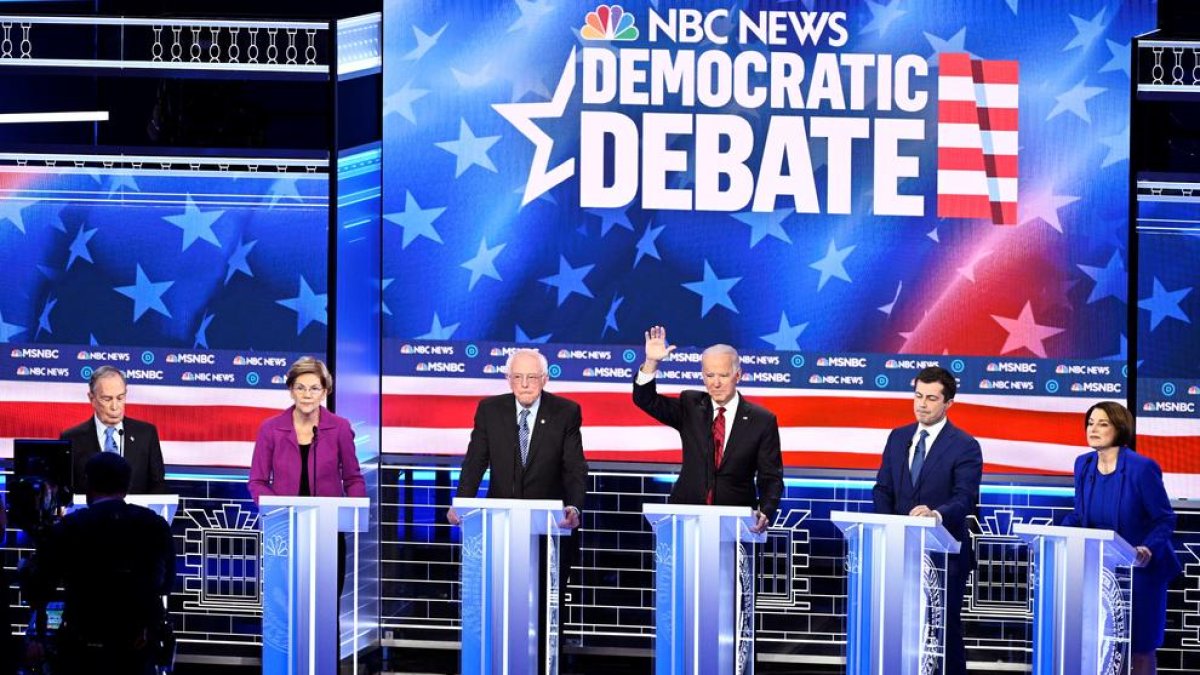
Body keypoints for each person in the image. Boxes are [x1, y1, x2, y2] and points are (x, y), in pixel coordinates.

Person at [872, 365, 982, 675]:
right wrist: (887, 528)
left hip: (943, 555)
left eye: (932, 398)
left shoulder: (964, 445)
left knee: (943, 630)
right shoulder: (898, 437)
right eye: (918, 395)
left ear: (949, 403)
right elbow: (883, 489)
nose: (922, 403)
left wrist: (936, 515)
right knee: (898, 625)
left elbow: (965, 498)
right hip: (898, 550)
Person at [26, 453, 175, 675]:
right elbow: (166, 584)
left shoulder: (71, 526)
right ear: (127, 485)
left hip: (82, 651)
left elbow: (39, 587)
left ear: (88, 483)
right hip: (136, 652)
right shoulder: (155, 524)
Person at [1060, 401, 1181, 675]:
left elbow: (1165, 518)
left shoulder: (1141, 468)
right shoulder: (1084, 464)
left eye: (1103, 424)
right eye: (1090, 423)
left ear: (1120, 428)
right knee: (1102, 644)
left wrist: (1147, 547)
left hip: (1142, 573)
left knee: (1140, 648)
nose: (1094, 429)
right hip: (1100, 571)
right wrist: (1054, 535)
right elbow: (1080, 516)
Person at [632, 326, 783, 532]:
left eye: (723, 375)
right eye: (710, 375)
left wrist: (765, 510)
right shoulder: (691, 405)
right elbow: (645, 399)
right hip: (685, 517)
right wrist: (652, 362)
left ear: (738, 375)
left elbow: (771, 477)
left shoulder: (761, 420)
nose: (716, 383)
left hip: (736, 522)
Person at [248, 356, 366, 595]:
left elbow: (353, 478)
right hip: (284, 528)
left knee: (327, 601)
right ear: (291, 390)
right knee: (285, 599)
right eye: (300, 388)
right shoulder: (270, 428)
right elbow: (257, 481)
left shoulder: (340, 427)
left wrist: (352, 511)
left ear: (325, 392)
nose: (307, 395)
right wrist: (278, 511)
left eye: (314, 388)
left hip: (328, 528)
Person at [448, 348, 587, 529]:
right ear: (508, 379)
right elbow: (475, 463)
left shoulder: (566, 412)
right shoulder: (490, 410)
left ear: (545, 379)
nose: (524, 384)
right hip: (501, 520)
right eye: (517, 377)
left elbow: (574, 467)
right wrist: (462, 504)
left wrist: (573, 507)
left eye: (532, 377)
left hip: (549, 522)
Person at [60, 365, 166, 494]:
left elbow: (158, 485)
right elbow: (64, 490)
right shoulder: (72, 439)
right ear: (92, 398)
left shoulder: (146, 434)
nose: (115, 407)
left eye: (120, 398)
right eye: (107, 399)